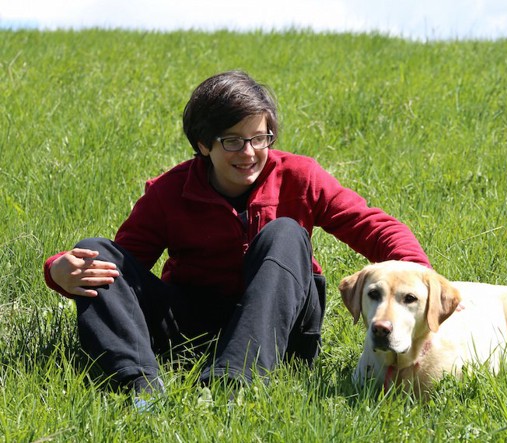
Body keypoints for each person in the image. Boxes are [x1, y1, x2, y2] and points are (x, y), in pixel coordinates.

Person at [43, 70, 431, 401]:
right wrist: (58, 270)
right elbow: (123, 269)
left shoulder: (300, 176)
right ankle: (140, 388)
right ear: (203, 144)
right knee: (94, 251)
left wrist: (423, 280)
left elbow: (373, 225)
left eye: (259, 138)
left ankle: (233, 385)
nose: (248, 152)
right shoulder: (168, 192)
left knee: (287, 232)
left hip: (282, 326)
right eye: (232, 140)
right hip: (192, 324)